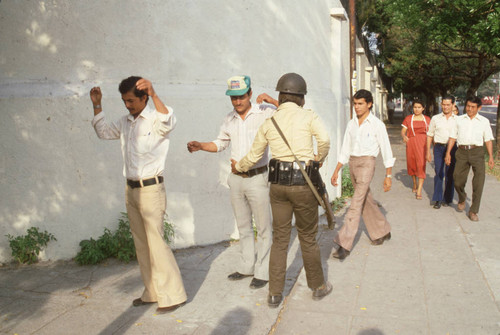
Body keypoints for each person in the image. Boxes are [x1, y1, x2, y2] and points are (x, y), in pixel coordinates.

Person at [231, 73, 332, 308]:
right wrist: (318, 159)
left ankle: (275, 293)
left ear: (280, 96)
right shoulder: (309, 116)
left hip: (277, 186)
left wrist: (239, 167)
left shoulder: (271, 121)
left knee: (280, 240)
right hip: (304, 185)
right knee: (307, 237)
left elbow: (255, 155)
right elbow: (325, 140)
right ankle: (317, 287)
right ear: (301, 98)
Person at [90, 76, 186, 314]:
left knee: (156, 243)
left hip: (152, 189)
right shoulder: (125, 122)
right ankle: (152, 291)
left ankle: (173, 295)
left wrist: (154, 92)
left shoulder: (155, 119)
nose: (128, 105)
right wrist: (97, 104)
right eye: (124, 101)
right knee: (141, 244)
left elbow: (169, 120)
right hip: (131, 189)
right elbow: (103, 132)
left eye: (131, 100)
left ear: (144, 97)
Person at [187, 75, 274, 289]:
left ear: (250, 94)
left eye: (241, 97)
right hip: (236, 179)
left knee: (263, 227)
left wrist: (272, 100)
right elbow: (220, 143)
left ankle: (263, 271)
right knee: (243, 226)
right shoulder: (229, 119)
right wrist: (201, 145)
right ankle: (246, 266)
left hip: (258, 177)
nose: (237, 102)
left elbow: (291, 115)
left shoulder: (264, 113)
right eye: (233, 98)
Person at [331, 89, 394, 260]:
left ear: (369, 104)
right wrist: (337, 170)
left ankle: (344, 243)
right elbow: (345, 148)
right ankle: (382, 230)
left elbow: (386, 150)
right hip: (352, 163)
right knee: (366, 200)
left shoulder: (376, 125)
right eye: (355, 103)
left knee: (356, 202)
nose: (357, 107)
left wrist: (388, 176)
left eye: (360, 104)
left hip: (367, 163)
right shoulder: (351, 124)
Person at [445, 96, 495, 221]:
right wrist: (448, 153)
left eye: (473, 107)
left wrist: (490, 157)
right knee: (457, 180)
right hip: (461, 152)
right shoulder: (459, 120)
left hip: (477, 152)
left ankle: (473, 211)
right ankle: (462, 197)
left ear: (479, 107)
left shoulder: (484, 121)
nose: (469, 109)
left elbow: (488, 139)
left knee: (479, 182)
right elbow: (452, 137)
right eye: (468, 106)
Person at [426, 95, 457, 209]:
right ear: (441, 104)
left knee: (450, 174)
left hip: (453, 148)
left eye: (448, 104)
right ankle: (438, 199)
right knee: (439, 172)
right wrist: (427, 152)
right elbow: (430, 135)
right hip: (438, 148)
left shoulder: (458, 119)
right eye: (443, 104)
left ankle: (448, 198)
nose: (445, 107)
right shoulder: (435, 118)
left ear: (453, 105)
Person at [401, 100, 431, 200]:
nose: (417, 109)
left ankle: (419, 189)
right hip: (411, 143)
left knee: (421, 164)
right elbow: (403, 131)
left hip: (423, 144)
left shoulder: (427, 119)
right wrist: (403, 136)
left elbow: (430, 133)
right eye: (415, 107)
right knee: (412, 163)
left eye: (419, 107)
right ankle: (414, 183)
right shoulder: (408, 119)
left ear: (423, 108)